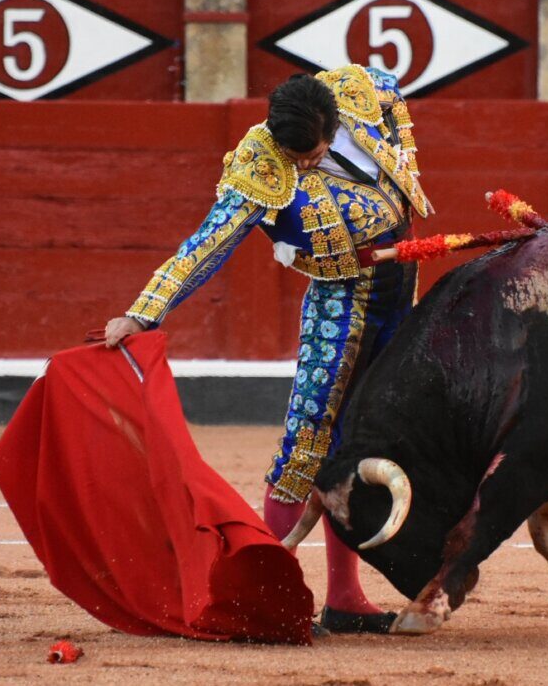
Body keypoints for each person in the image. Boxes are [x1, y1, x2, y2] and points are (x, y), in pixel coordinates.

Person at [104, 65, 433, 635]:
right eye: (292, 155)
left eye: (311, 154)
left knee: (364, 442)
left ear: (333, 122)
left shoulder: (364, 93)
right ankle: (269, 600)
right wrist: (143, 311)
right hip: (339, 303)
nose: (300, 165)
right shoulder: (260, 163)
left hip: (400, 291)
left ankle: (345, 600)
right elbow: (208, 243)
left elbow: (394, 111)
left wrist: (403, 183)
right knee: (307, 445)